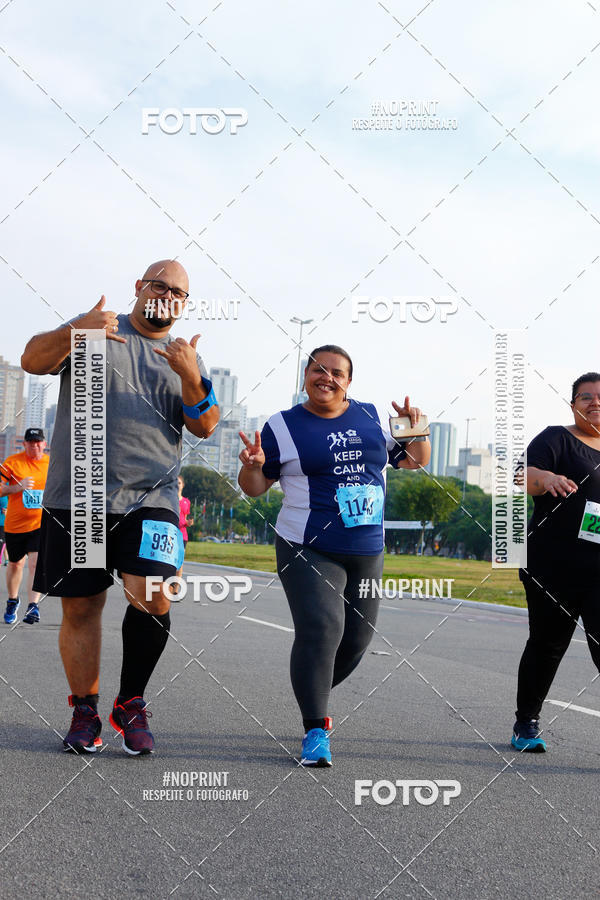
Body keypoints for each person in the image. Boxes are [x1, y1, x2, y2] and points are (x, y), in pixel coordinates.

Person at [21, 260, 219, 755]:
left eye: (178, 292)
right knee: (83, 606)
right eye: (160, 285)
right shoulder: (94, 331)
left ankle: (130, 703)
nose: (167, 295)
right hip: (80, 497)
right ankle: (85, 710)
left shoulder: (182, 357)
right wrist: (73, 329)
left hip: (153, 500)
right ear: (139, 287)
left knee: (153, 598)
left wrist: (192, 376)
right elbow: (31, 360)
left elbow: (206, 424)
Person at [238, 345, 430, 766]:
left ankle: (311, 685)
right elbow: (254, 486)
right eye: (318, 370)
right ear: (305, 375)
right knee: (322, 630)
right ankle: (315, 728)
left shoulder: (372, 416)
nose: (327, 378)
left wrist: (417, 434)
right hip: (306, 546)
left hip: (366, 548)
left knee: (357, 641)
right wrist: (253, 465)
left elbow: (413, 462)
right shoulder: (283, 426)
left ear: (348, 381)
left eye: (337, 372)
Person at [512, 372, 600, 752]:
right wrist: (545, 477)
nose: (595, 402)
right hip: (553, 565)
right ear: (573, 404)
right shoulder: (556, 438)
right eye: (586, 397)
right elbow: (519, 475)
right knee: (548, 645)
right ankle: (525, 724)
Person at [1, 428, 49, 625]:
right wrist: (18, 487)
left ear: (44, 444)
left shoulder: (52, 463)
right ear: (25, 444)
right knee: (15, 564)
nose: (35, 445)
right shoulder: (12, 462)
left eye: (38, 442)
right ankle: (13, 600)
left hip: (40, 523)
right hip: (15, 524)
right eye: (30, 442)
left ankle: (33, 606)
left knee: (36, 563)